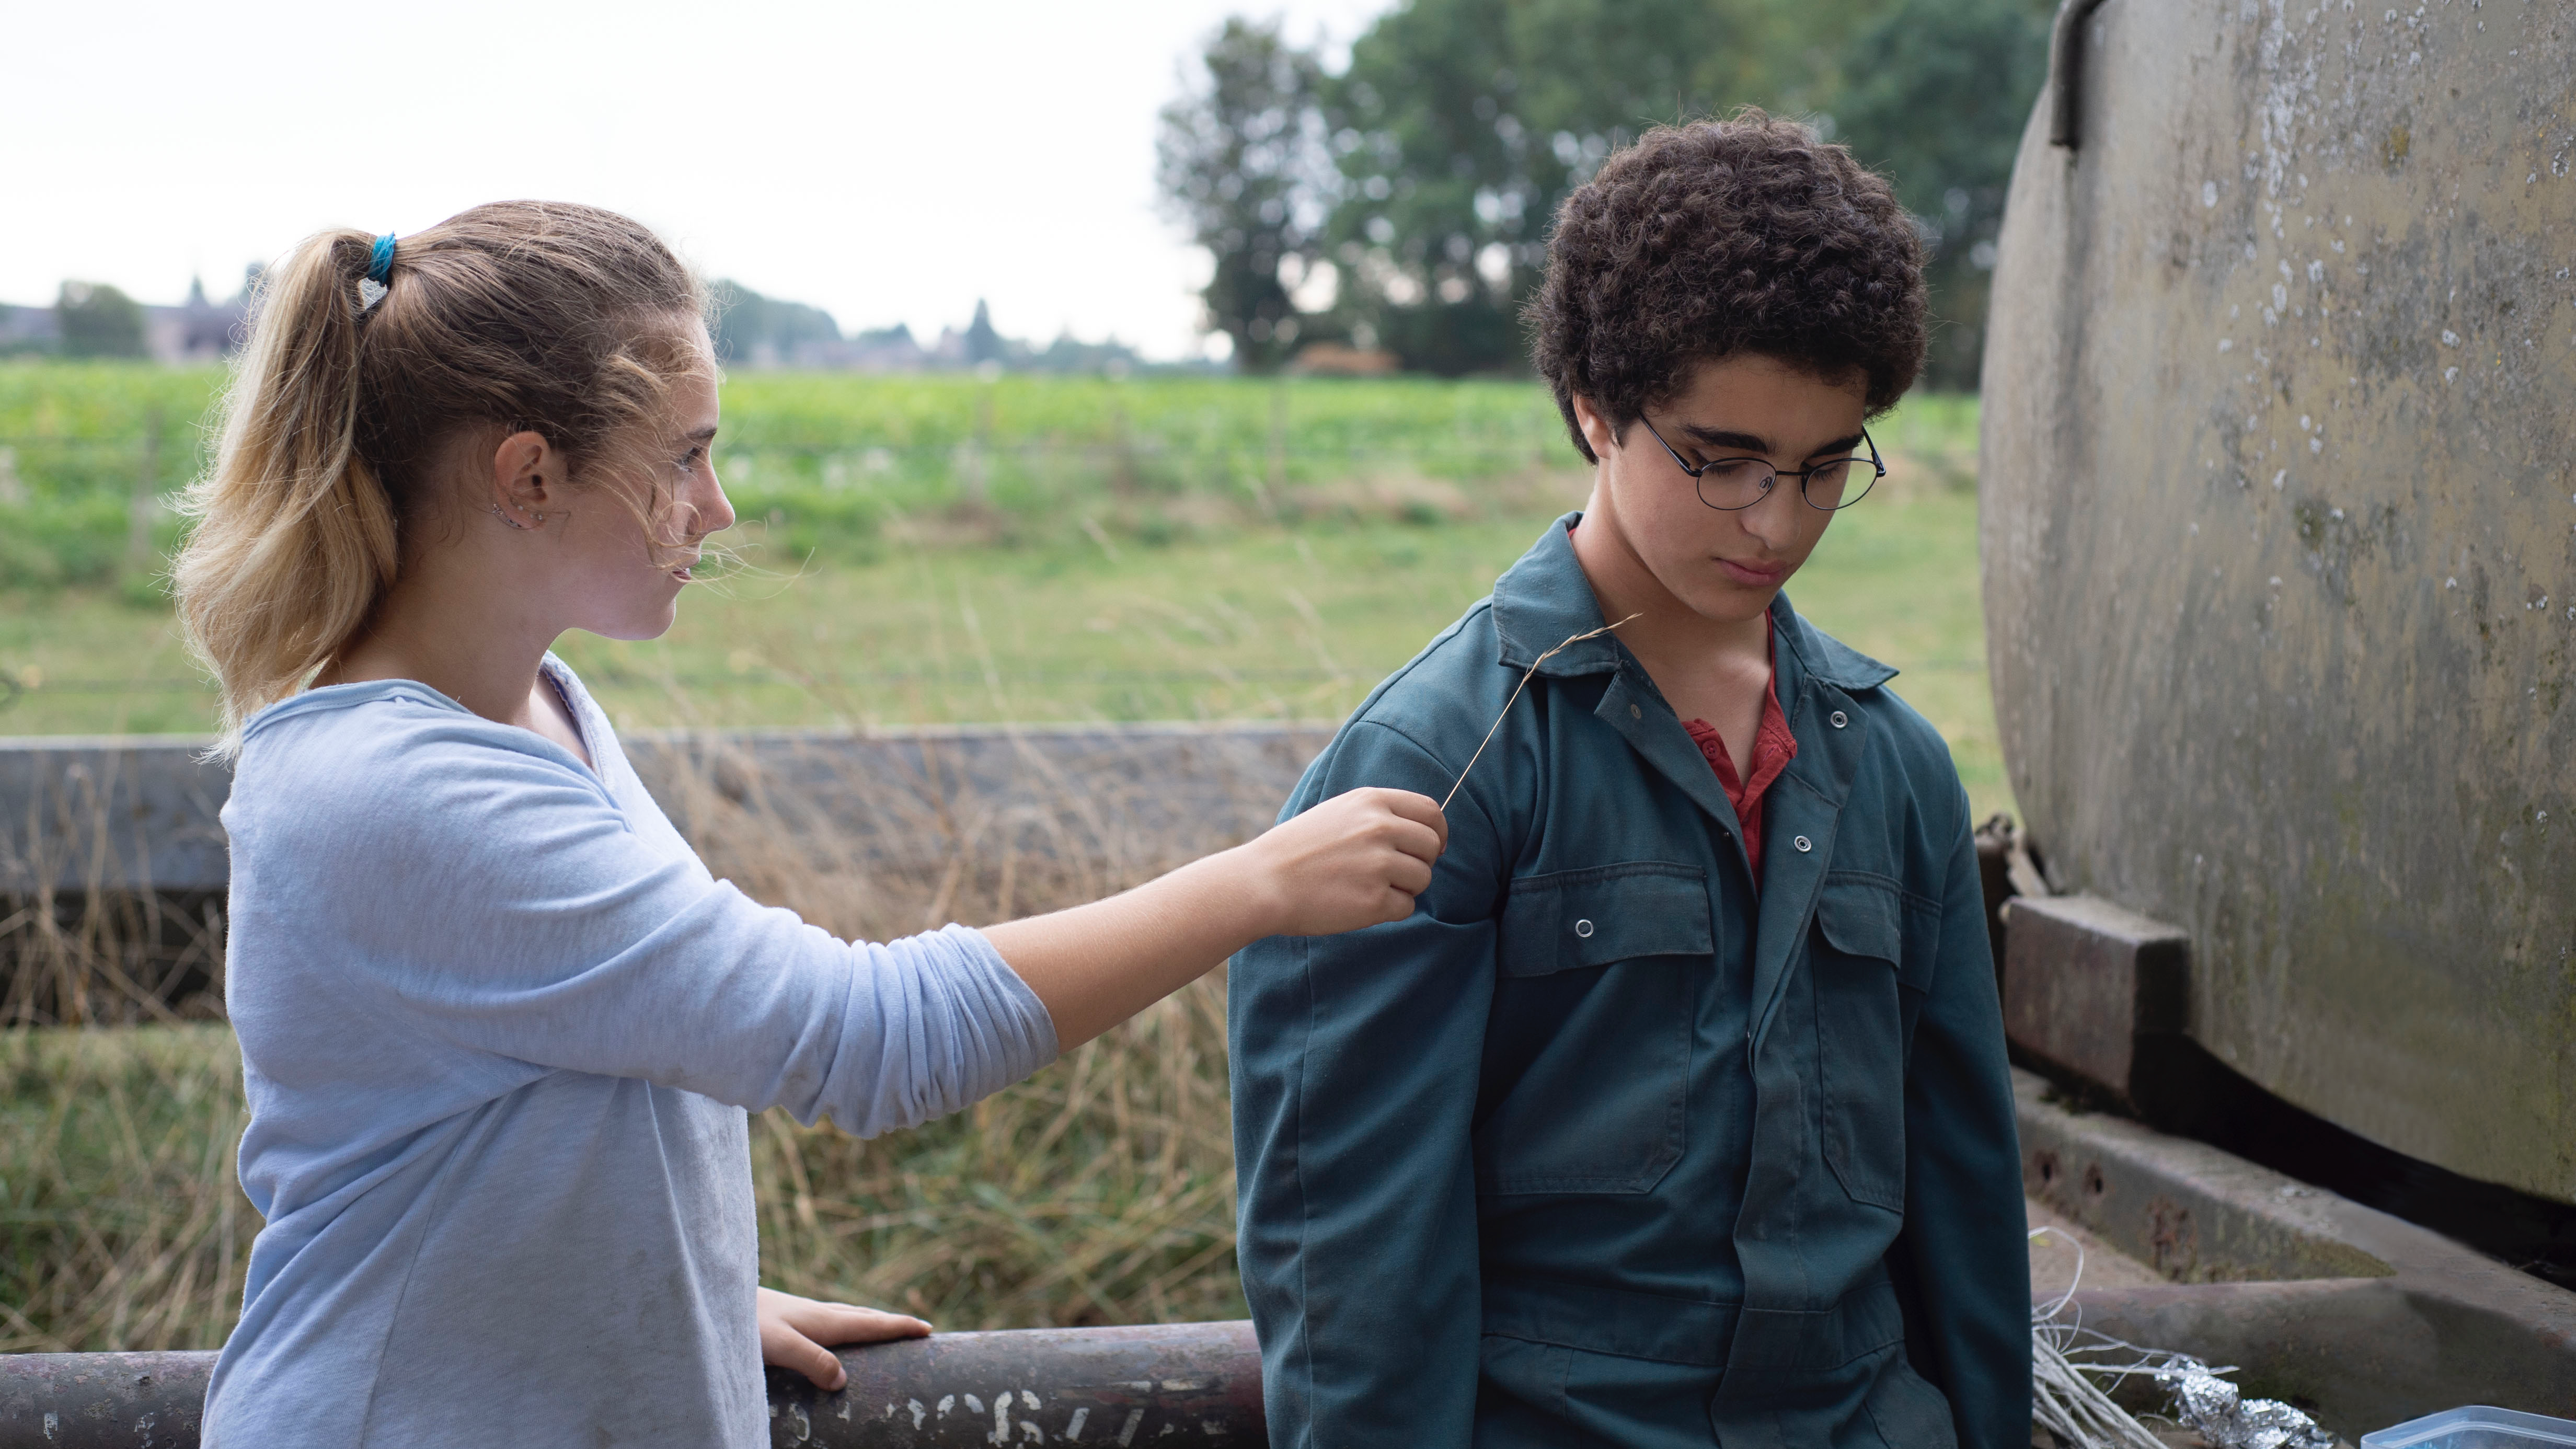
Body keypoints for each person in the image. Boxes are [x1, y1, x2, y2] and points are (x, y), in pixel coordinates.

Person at [170, 201, 1447, 1448]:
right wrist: (1257, 883)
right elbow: (863, 1037)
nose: (715, 507)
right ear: (531, 474)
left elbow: (531, 1110)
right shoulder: (400, 794)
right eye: (683, 456)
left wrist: (670, 1304)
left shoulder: (539, 707)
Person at [1228, 113, 2028, 1448]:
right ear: (1595, 409)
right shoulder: (1437, 768)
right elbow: (1353, 1272)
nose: (1777, 522)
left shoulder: (1894, 768)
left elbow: (1962, 1199)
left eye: (1827, 465)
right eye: (1719, 463)